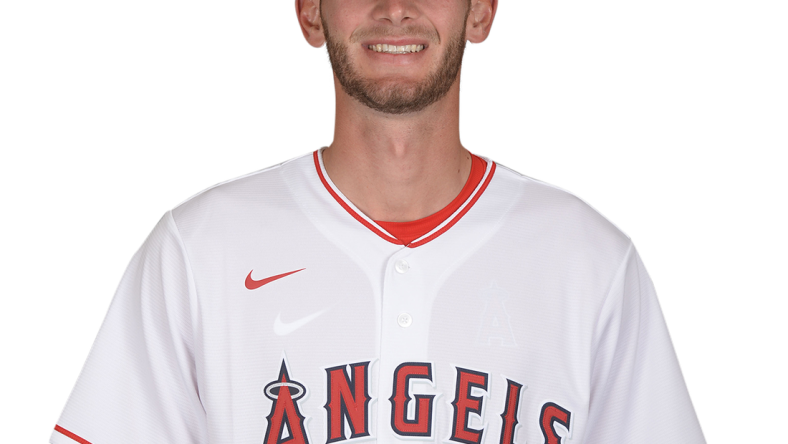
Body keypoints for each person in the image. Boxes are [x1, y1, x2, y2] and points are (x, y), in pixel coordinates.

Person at [50, 1, 706, 443]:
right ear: (308, 10)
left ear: (482, 9)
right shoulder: (197, 250)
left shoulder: (590, 260)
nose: (396, 6)